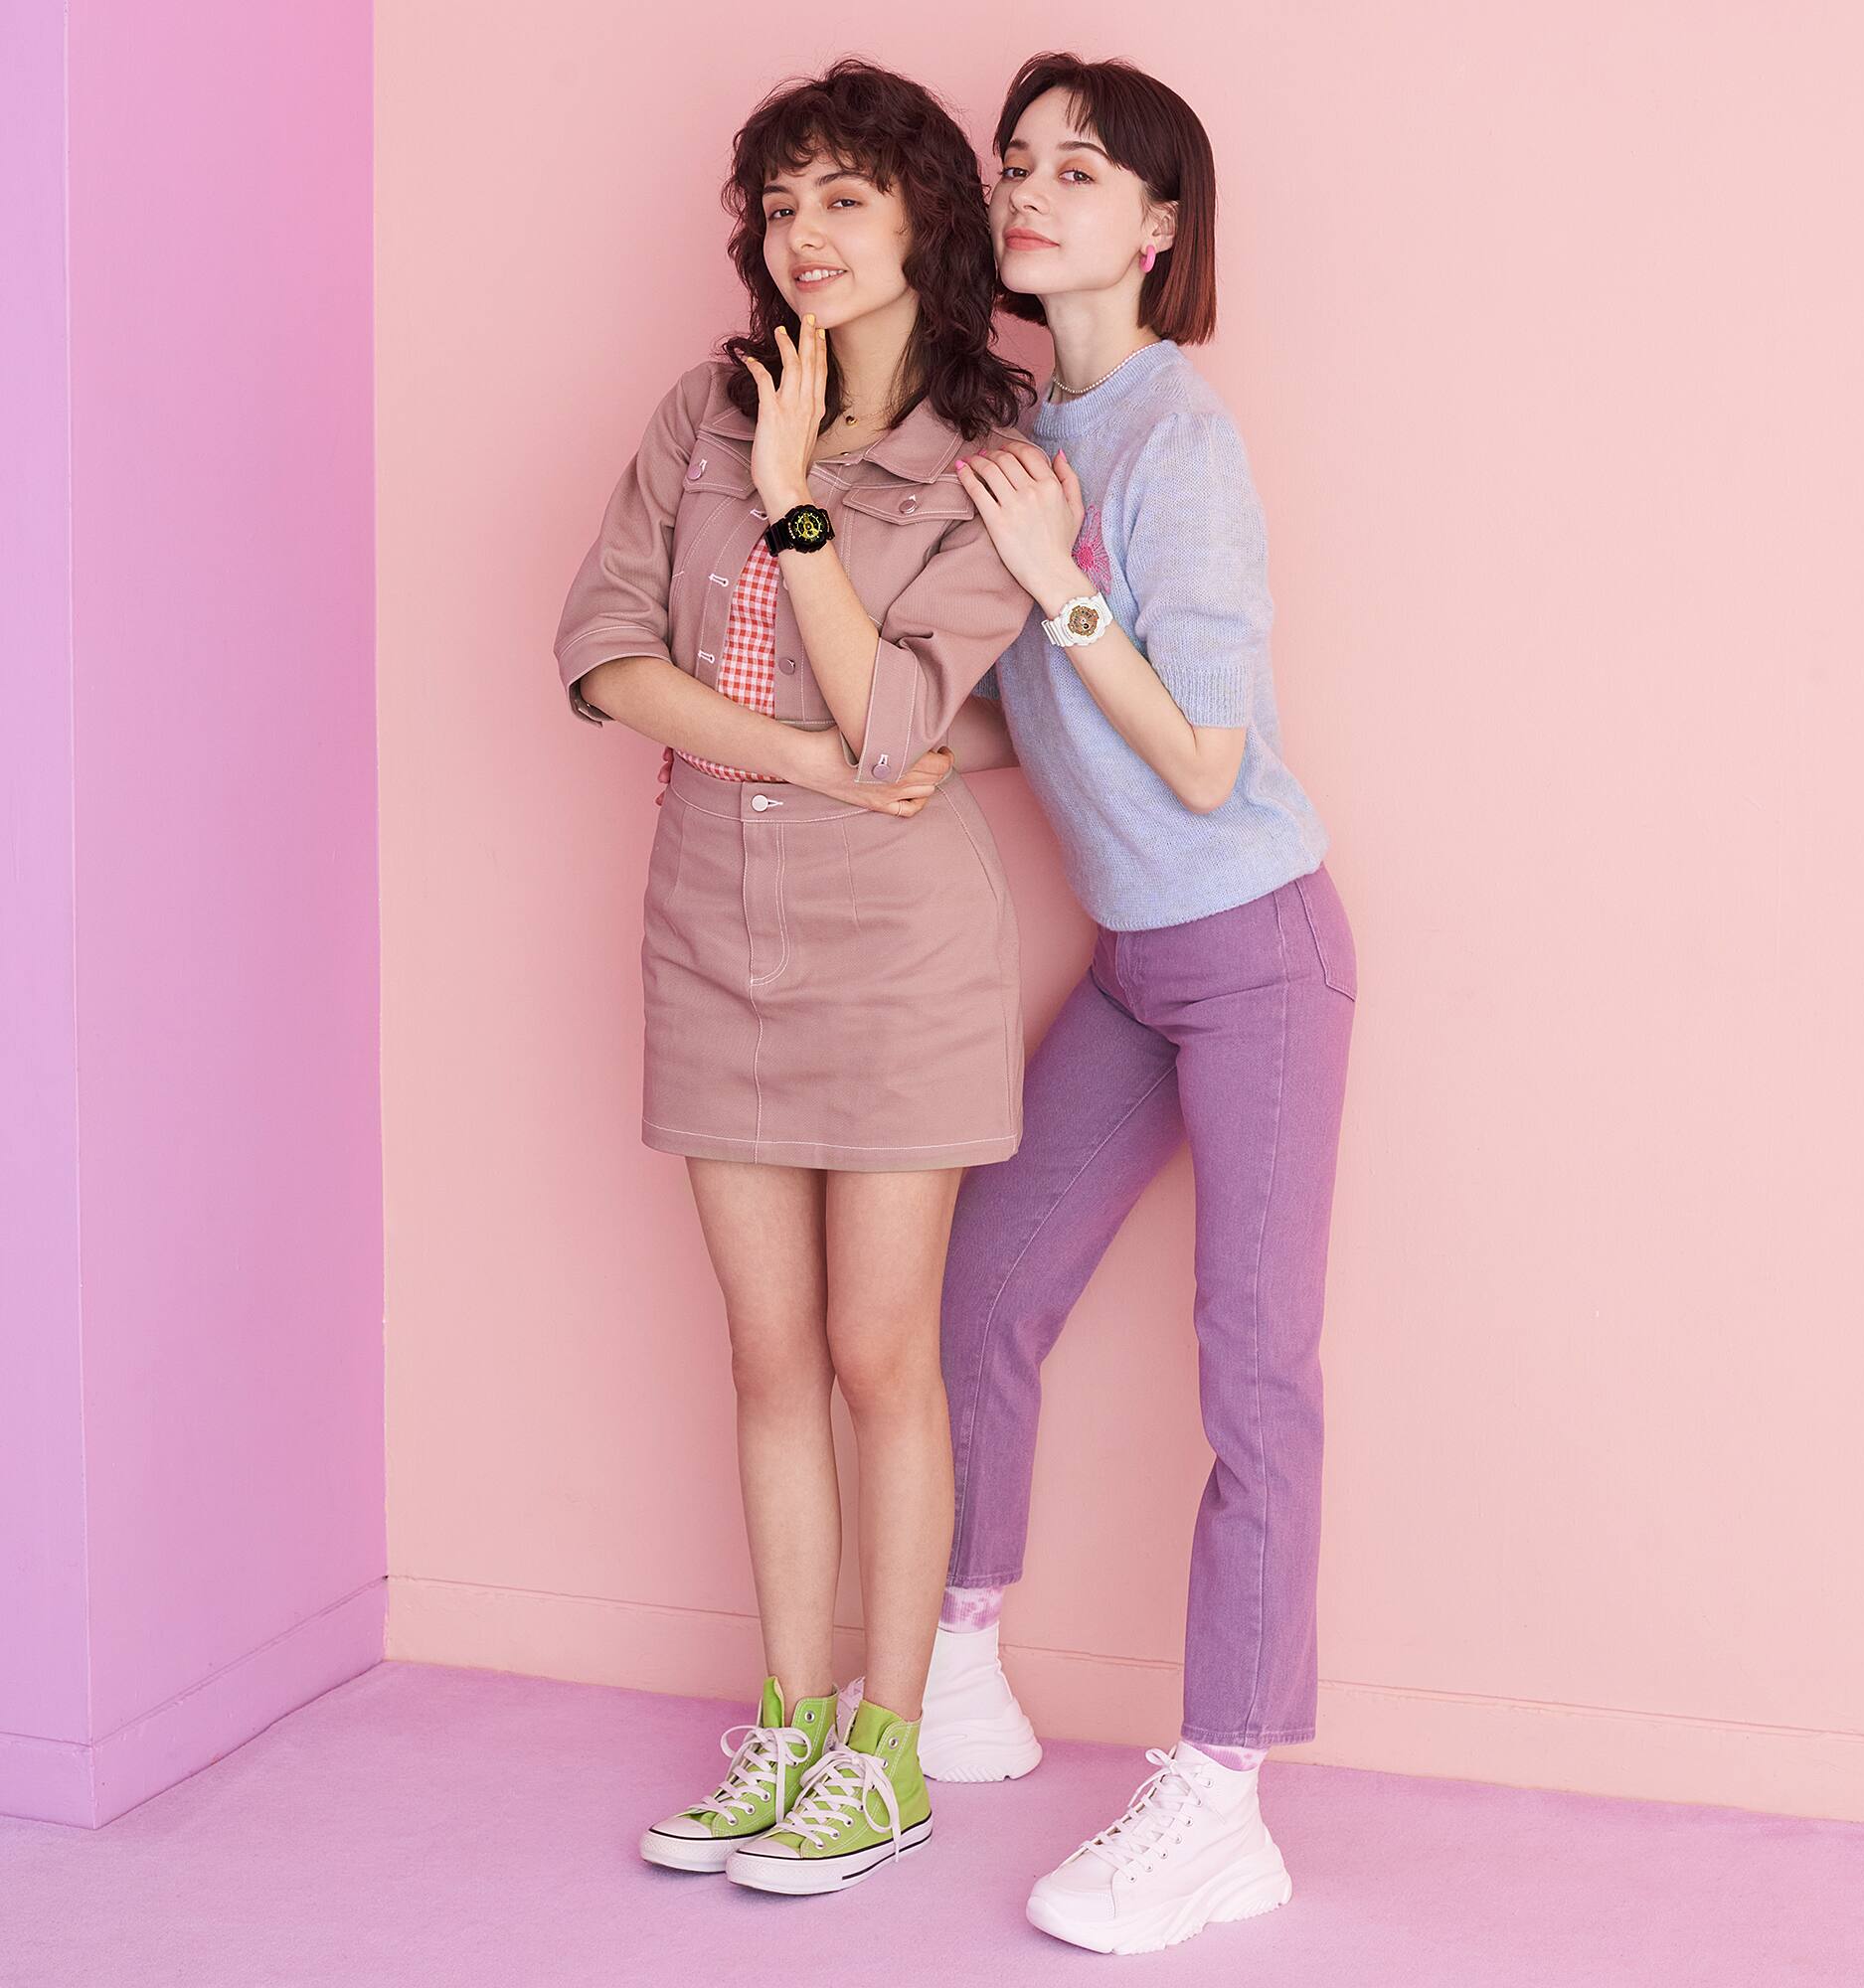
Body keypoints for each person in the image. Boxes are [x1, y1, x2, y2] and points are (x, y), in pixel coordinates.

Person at [551, 58, 1036, 1897]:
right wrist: (804, 761)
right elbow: (604, 649)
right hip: (709, 920)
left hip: (898, 950)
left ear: (925, 218)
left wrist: (795, 502)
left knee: (875, 1353)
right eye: (780, 202)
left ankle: (883, 1753)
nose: (805, 235)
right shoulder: (705, 406)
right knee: (764, 1354)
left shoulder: (995, 456)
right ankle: (786, 1723)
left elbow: (904, 707)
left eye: (845, 197)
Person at [930, 52, 1360, 1953]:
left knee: (1252, 1374)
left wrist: (1053, 575)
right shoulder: (1025, 428)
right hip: (1131, 963)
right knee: (986, 1280)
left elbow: (1200, 761)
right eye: (1017, 162)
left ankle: (1223, 1795)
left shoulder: (1180, 443)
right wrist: (889, 758)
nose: (1031, 192)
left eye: (1081, 170)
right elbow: (1041, 729)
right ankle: (958, 1658)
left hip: (1256, 948)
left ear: (1159, 226)